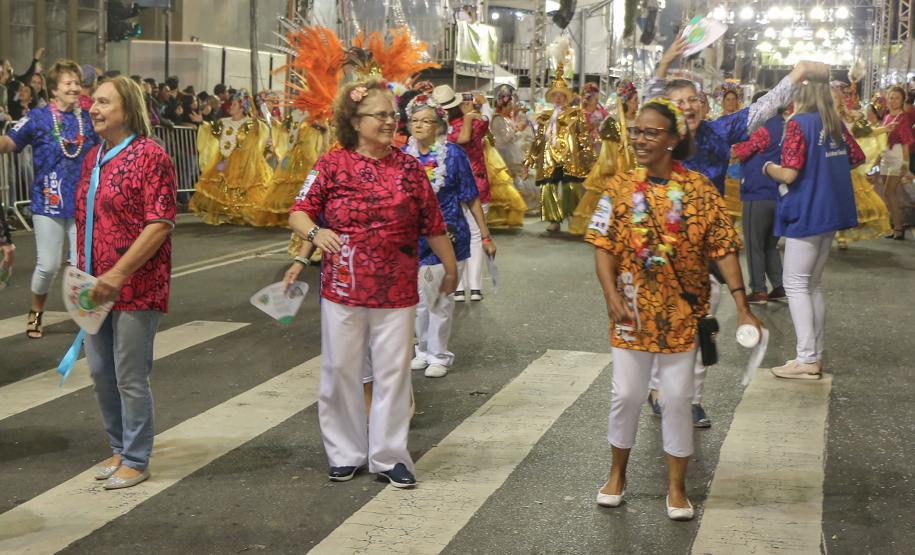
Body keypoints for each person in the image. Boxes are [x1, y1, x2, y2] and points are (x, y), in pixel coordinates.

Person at [587, 98, 760, 520]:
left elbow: (724, 248)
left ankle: (677, 487)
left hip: (682, 315)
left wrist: (743, 305)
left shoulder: (699, 190)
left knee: (678, 399)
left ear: (673, 139)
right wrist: (610, 293)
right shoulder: (620, 187)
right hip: (632, 311)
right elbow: (603, 244)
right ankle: (616, 474)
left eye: (650, 132)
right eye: (637, 131)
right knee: (627, 394)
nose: (640, 139)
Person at [645, 38, 827, 426]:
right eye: (680, 102)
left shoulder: (717, 132)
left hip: (707, 247)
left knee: (701, 326)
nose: (689, 106)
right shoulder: (658, 138)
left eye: (694, 99)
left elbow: (766, 106)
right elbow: (646, 104)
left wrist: (797, 71)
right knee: (666, 323)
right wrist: (663, 64)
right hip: (661, 244)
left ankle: (692, 400)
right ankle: (659, 386)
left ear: (704, 104)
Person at [289, 79, 456, 487]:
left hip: (397, 290)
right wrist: (314, 235)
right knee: (341, 370)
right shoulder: (331, 164)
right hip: (343, 288)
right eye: (380, 115)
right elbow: (299, 211)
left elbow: (433, 225)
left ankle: (389, 456)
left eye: (391, 115)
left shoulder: (410, 169)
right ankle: (345, 453)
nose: (390, 122)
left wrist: (451, 269)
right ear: (354, 120)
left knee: (393, 373)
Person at [77, 75, 177, 489]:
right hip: (93, 285)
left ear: (127, 109)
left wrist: (118, 274)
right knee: (100, 371)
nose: (93, 109)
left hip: (136, 285)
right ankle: (118, 447)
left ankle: (137, 458)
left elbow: (160, 224)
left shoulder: (151, 156)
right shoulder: (94, 156)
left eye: (103, 102)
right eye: (93, 102)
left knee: (129, 375)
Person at [762, 78, 864, 380]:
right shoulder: (834, 123)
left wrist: (768, 168)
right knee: (812, 285)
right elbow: (857, 157)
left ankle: (806, 358)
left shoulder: (799, 124)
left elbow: (790, 174)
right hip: (830, 210)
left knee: (794, 284)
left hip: (806, 211)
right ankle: (813, 354)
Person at [0, 59, 99, 339]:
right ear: (54, 90)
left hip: (83, 202)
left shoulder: (89, 117)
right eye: (68, 83)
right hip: (49, 201)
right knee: (48, 266)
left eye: (77, 82)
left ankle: (86, 317)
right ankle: (35, 313)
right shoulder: (39, 118)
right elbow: (10, 142)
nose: (74, 87)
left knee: (82, 264)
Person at [403, 93, 495, 378]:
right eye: (414, 121)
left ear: (438, 125)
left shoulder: (453, 154)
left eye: (425, 121)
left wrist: (486, 233)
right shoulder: (403, 156)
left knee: (441, 298)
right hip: (414, 237)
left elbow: (471, 196)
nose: (419, 126)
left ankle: (439, 355)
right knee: (418, 300)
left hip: (450, 233)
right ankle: (422, 350)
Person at [524, 64, 596, 232]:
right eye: (555, 95)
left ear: (566, 97)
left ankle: (571, 216)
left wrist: (590, 160)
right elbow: (538, 141)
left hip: (570, 157)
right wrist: (529, 161)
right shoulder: (545, 117)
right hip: (549, 157)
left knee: (570, 187)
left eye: (561, 95)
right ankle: (554, 220)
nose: (558, 98)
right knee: (548, 187)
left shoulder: (575, 114)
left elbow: (583, 138)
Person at [730, 95, 787, 304]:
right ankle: (779, 286)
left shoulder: (762, 126)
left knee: (754, 243)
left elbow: (739, 151)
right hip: (779, 193)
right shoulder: (787, 126)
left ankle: (759, 290)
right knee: (770, 244)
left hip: (758, 192)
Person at [189, 90, 273, 225]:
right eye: (231, 104)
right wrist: (201, 122)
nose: (230, 107)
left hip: (243, 162)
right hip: (223, 159)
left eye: (234, 105)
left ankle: (241, 213)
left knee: (242, 187)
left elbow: (261, 134)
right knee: (221, 186)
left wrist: (258, 120)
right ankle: (229, 212)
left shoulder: (250, 123)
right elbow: (214, 132)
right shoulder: (223, 121)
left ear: (242, 108)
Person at [439, 85, 489, 302]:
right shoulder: (477, 122)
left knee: (454, 233)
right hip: (477, 183)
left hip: (450, 186)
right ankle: (475, 287)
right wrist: (480, 105)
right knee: (476, 235)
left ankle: (458, 286)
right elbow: (486, 118)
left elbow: (461, 139)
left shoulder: (440, 131)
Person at [878, 86, 914, 240]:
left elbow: (906, 142)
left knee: (889, 191)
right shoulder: (886, 117)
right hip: (886, 156)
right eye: (891, 97)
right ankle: (895, 225)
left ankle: (898, 227)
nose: (893, 101)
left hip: (898, 156)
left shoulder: (903, 117)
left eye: (897, 98)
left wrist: (905, 163)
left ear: (902, 100)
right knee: (890, 194)